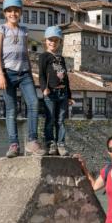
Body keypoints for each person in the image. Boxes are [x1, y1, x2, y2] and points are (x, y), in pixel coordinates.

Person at [0, 0, 45, 157]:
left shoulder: (24, 31)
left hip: (24, 74)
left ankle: (32, 141)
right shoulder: (0, 29)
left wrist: (30, 72)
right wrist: (0, 75)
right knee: (11, 110)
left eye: (16, 11)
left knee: (34, 103)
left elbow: (25, 53)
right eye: (10, 11)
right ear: (5, 13)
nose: (13, 14)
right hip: (7, 73)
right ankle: (14, 145)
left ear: (21, 13)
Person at [39, 26, 74, 156]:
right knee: (50, 119)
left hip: (63, 93)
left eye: (56, 40)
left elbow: (66, 78)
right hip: (51, 92)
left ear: (60, 42)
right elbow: (41, 75)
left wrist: (69, 96)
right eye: (50, 40)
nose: (53, 43)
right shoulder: (44, 56)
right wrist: (44, 89)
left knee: (60, 120)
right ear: (45, 41)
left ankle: (61, 143)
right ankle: (50, 143)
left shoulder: (61, 59)